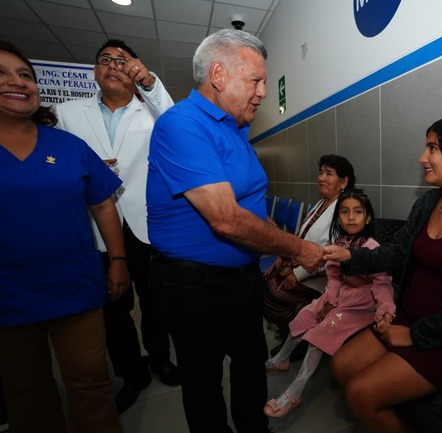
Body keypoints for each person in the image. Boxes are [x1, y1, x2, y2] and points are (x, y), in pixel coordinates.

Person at [146, 29, 325, 433]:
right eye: (256, 80)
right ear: (218, 75)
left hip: (242, 277)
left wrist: (280, 242)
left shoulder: (236, 128)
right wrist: (299, 248)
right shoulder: (182, 124)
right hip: (194, 284)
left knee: (249, 364)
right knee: (203, 380)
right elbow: (226, 218)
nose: (263, 92)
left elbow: (249, 206)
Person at [323, 114, 442, 433]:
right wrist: (350, 256)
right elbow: (398, 251)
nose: (422, 157)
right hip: (408, 320)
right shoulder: (428, 203)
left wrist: (415, 335)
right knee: (341, 367)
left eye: (432, 148)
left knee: (360, 394)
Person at [0, 40, 127, 433]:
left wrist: (118, 261)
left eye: (25, 74)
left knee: (90, 384)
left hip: (75, 288)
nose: (17, 81)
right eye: (2, 74)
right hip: (7, 295)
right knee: (26, 390)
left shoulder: (69, 147)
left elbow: (103, 205)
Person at [54, 39, 178, 414]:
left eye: (122, 61)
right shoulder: (67, 113)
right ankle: (131, 372)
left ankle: (160, 359)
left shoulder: (150, 112)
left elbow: (175, 123)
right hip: (96, 225)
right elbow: (56, 160)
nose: (112, 65)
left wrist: (150, 83)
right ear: (95, 71)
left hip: (144, 224)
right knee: (112, 306)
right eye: (105, 60)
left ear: (134, 70)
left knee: (155, 302)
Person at [264, 188, 396, 419]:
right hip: (338, 294)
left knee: (320, 334)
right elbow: (334, 276)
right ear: (338, 218)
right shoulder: (339, 242)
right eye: (345, 212)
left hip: (361, 302)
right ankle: (281, 359)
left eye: (358, 212)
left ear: (368, 218)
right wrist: (330, 301)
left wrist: (385, 311)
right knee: (305, 315)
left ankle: (295, 391)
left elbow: (382, 284)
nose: (351, 217)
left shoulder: (372, 248)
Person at [263, 154, 356, 349]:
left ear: (343, 182)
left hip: (325, 276)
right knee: (266, 281)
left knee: (273, 295)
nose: (321, 178)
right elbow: (301, 238)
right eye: (321, 172)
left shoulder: (345, 210)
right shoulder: (322, 203)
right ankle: (293, 333)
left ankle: (297, 340)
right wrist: (282, 259)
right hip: (304, 264)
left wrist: (297, 274)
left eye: (329, 174)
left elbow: (334, 256)